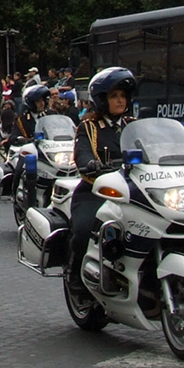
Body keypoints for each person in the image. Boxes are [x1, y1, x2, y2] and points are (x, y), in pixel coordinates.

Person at [66, 67, 137, 295]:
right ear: (102, 100)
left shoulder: (133, 126)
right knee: (85, 228)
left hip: (133, 192)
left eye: (123, 96)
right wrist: (90, 163)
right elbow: (82, 154)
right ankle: (75, 275)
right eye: (114, 95)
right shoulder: (89, 127)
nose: (120, 100)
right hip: (97, 193)